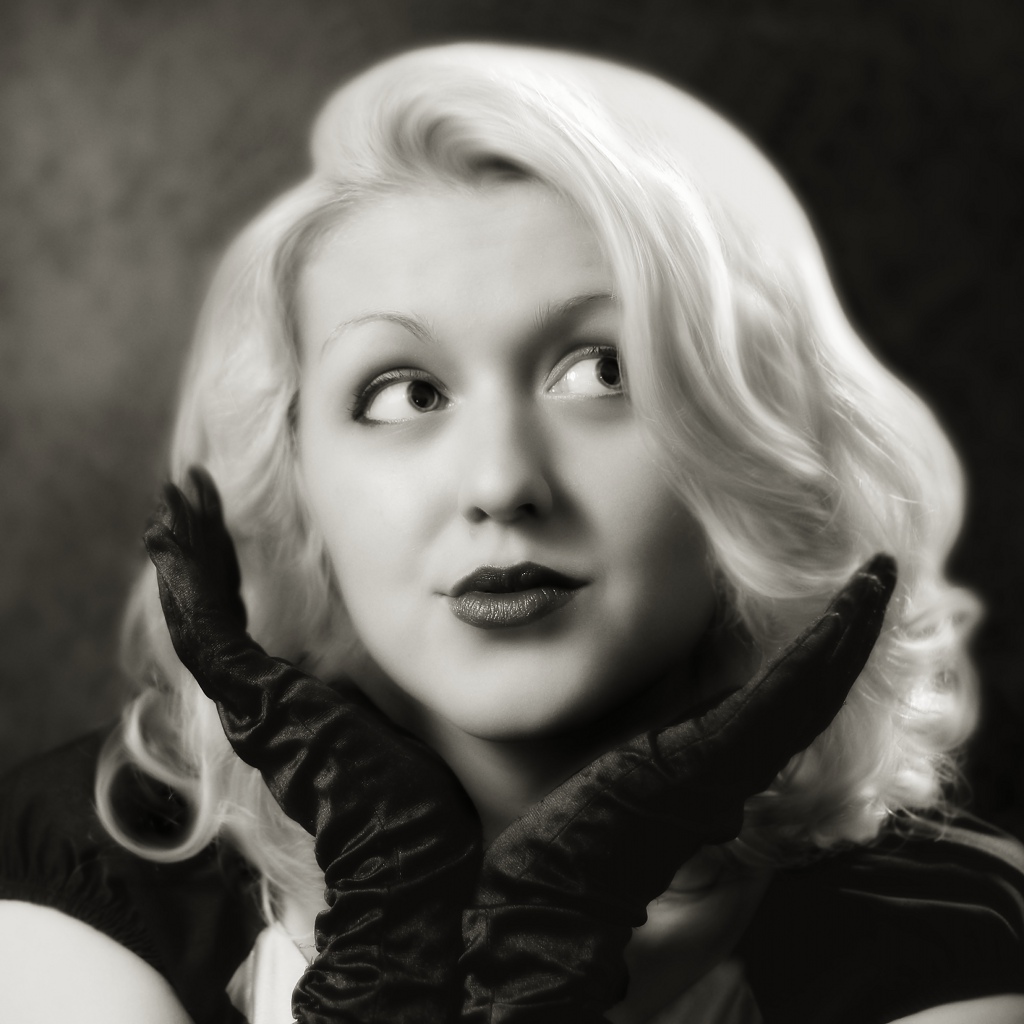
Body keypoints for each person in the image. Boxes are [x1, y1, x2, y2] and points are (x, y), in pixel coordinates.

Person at [1, 41, 1022, 1024]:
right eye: (405, 392)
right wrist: (393, 916)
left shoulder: (948, 938)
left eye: (602, 372)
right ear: (296, 474)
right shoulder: (94, 871)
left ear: (750, 440)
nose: (501, 484)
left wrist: (562, 914)